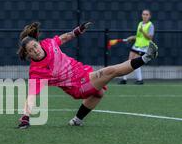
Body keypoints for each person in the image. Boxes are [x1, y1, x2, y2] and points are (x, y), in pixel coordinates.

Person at [17, 21, 158, 128]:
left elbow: (64, 38)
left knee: (99, 93)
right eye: (30, 50)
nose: (35, 50)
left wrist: (77, 31)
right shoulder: (36, 71)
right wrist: (25, 117)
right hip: (78, 87)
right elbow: (31, 96)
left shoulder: (48, 43)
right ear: (28, 54)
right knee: (110, 71)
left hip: (83, 71)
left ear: (38, 43)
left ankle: (77, 120)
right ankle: (147, 57)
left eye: (35, 46)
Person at [119, 9, 155, 84]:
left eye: (146, 14)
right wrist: (132, 37)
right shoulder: (140, 23)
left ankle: (140, 79)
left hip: (143, 47)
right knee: (129, 61)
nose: (145, 16)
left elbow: (150, 37)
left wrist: (143, 31)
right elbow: (138, 36)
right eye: (143, 14)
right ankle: (124, 79)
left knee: (135, 62)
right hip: (136, 45)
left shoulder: (150, 25)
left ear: (150, 16)